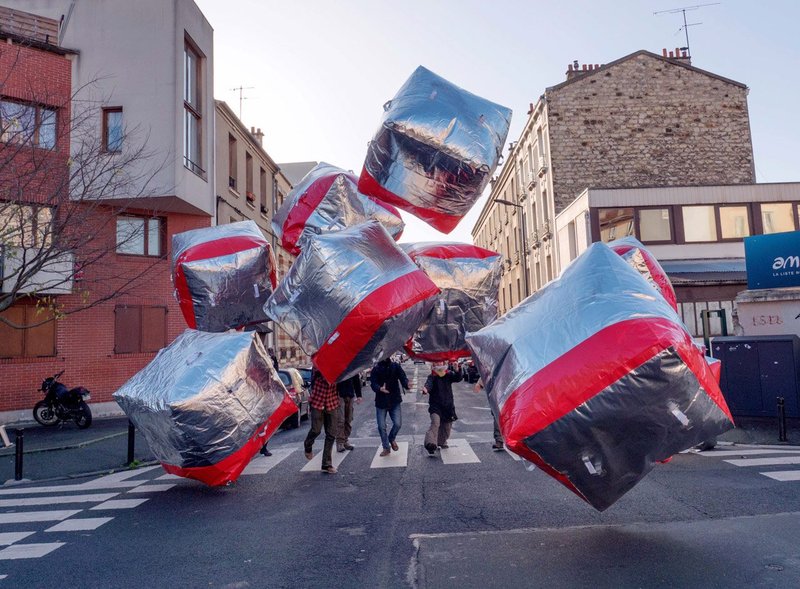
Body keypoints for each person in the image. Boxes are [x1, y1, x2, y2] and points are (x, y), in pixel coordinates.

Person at [370, 356, 409, 457]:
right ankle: (386, 447)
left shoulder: (395, 366)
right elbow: (373, 383)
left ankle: (391, 438)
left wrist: (407, 384)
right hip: (381, 402)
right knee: (381, 426)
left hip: (394, 400)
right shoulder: (376, 368)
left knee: (398, 424)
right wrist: (379, 388)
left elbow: (403, 377)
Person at [422, 360, 463, 455]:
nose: (439, 364)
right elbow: (429, 384)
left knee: (446, 427)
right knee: (435, 423)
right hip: (435, 406)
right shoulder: (432, 376)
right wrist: (426, 389)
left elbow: (458, 378)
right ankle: (430, 444)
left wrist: (457, 369)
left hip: (448, 406)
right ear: (433, 364)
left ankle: (441, 442)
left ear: (444, 363)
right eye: (437, 362)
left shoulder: (448, 374)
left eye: (440, 362)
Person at [303, 368, 339, 474]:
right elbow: (316, 372)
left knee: (331, 434)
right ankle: (308, 445)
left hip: (332, 402)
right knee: (316, 430)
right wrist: (326, 375)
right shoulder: (320, 360)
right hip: (318, 401)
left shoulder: (340, 363)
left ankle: (326, 464)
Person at [260, 348, 280, 457]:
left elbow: (275, 374)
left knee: (265, 425)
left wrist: (274, 360)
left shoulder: (268, 371)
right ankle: (262, 447)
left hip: (265, 399)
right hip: (258, 399)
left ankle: (264, 447)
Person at [336, 374, 363, 452]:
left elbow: (356, 379)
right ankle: (340, 442)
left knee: (349, 419)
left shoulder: (352, 365)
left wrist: (359, 395)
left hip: (350, 394)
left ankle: (345, 440)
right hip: (339, 394)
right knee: (341, 420)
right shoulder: (337, 364)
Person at [475, 378, 504, 450]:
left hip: (514, 391)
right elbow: (488, 370)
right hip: (498, 392)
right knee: (497, 416)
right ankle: (499, 440)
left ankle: (520, 440)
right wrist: (480, 383)